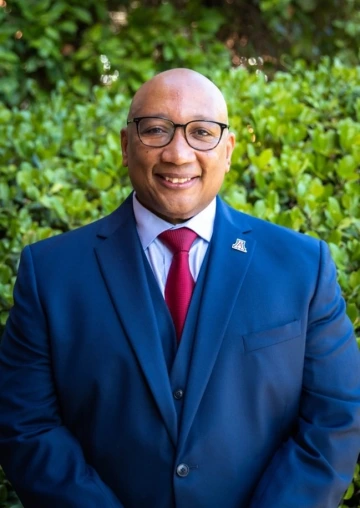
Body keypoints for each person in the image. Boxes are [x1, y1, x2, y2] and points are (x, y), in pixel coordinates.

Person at [0, 68, 359, 508]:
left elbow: (336, 419)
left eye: (202, 133)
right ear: (125, 144)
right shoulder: (50, 272)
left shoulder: (303, 267)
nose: (178, 153)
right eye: (155, 130)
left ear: (227, 150)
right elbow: (27, 425)